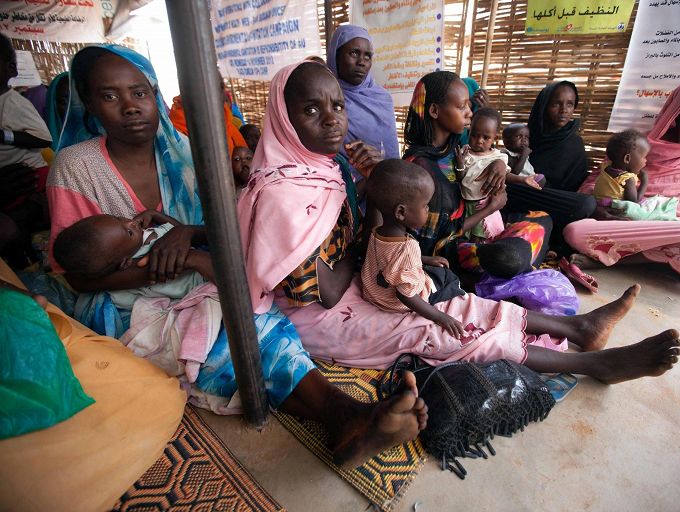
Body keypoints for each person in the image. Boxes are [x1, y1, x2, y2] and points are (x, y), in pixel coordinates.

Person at [49, 45, 425, 469]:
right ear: (88, 102)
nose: (131, 107)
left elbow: (227, 229)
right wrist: (177, 264)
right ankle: (343, 414)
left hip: (201, 273)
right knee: (219, 338)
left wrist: (188, 242)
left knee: (258, 321)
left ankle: (345, 416)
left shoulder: (187, 152)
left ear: (155, 94)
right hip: (123, 297)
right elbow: (76, 274)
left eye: (139, 93)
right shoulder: (75, 168)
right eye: (110, 96)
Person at [238, 60, 680, 400]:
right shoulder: (283, 194)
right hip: (321, 314)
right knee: (440, 331)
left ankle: (580, 327)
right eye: (311, 109)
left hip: (364, 281)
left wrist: (386, 247)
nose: (332, 118)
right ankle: (596, 364)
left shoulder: (323, 170)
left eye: (337, 106)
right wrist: (375, 241)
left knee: (455, 302)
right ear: (283, 117)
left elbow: (366, 241)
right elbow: (326, 292)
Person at [564, 79, 680, 288]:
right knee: (574, 231)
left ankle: (615, 260)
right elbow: (596, 182)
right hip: (626, 224)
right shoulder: (637, 144)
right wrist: (601, 207)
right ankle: (666, 262)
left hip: (676, 231)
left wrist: (672, 226)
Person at [402, 71, 550, 278]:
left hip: (475, 230)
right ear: (435, 110)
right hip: (449, 251)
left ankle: (509, 266)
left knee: (541, 219)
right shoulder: (421, 168)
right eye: (462, 106)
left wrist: (499, 163)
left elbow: (485, 155)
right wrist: (491, 208)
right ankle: (508, 268)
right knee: (508, 257)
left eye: (469, 106)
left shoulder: (454, 151)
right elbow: (438, 238)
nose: (470, 113)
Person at [361, 159, 466, 338]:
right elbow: (405, 295)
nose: (428, 209)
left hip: (375, 293)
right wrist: (440, 317)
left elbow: (390, 260)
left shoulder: (377, 231)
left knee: (434, 268)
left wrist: (424, 259)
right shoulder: (407, 247)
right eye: (425, 206)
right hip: (394, 304)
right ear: (401, 212)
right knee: (448, 277)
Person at [52, 211, 210, 310]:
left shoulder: (146, 235)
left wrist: (155, 215)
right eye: (129, 232)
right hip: (200, 283)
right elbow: (184, 254)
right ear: (125, 263)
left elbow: (181, 233)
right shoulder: (141, 263)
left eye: (118, 218)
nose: (131, 222)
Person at [502, 81, 599, 235]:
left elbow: (574, 187)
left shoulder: (574, 143)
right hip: (522, 193)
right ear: (544, 106)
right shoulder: (526, 136)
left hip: (555, 202)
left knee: (585, 203)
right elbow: (508, 166)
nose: (564, 110)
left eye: (570, 104)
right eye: (556, 104)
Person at [0, 35, 52, 267]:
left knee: (19, 228)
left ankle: (26, 266)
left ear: (11, 69)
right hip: (12, 181)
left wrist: (5, 135)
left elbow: (44, 138)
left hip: (29, 178)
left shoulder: (13, 102)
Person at [459, 108, 540, 241]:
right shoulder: (465, 153)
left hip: (485, 201)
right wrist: (460, 164)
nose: (479, 141)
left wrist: (523, 179)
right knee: (466, 235)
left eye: (485, 137)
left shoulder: (498, 156)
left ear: (494, 138)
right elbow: (461, 178)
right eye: (474, 135)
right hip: (466, 202)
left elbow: (506, 175)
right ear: (469, 132)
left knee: (483, 234)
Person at [327, 24, 392, 174]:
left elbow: (392, 156)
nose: (361, 62)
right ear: (336, 56)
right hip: (332, 182)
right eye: (354, 53)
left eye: (367, 56)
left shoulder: (382, 99)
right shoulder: (323, 98)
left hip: (380, 180)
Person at [593, 129, 649, 204]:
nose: (645, 160)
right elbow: (634, 201)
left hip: (596, 201)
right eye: (643, 157)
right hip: (613, 206)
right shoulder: (628, 179)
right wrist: (644, 181)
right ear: (627, 159)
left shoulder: (605, 166)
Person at [44, 71, 70, 150]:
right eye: (63, 102)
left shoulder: (100, 137)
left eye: (78, 101)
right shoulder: (43, 145)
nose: (72, 108)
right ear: (53, 105)